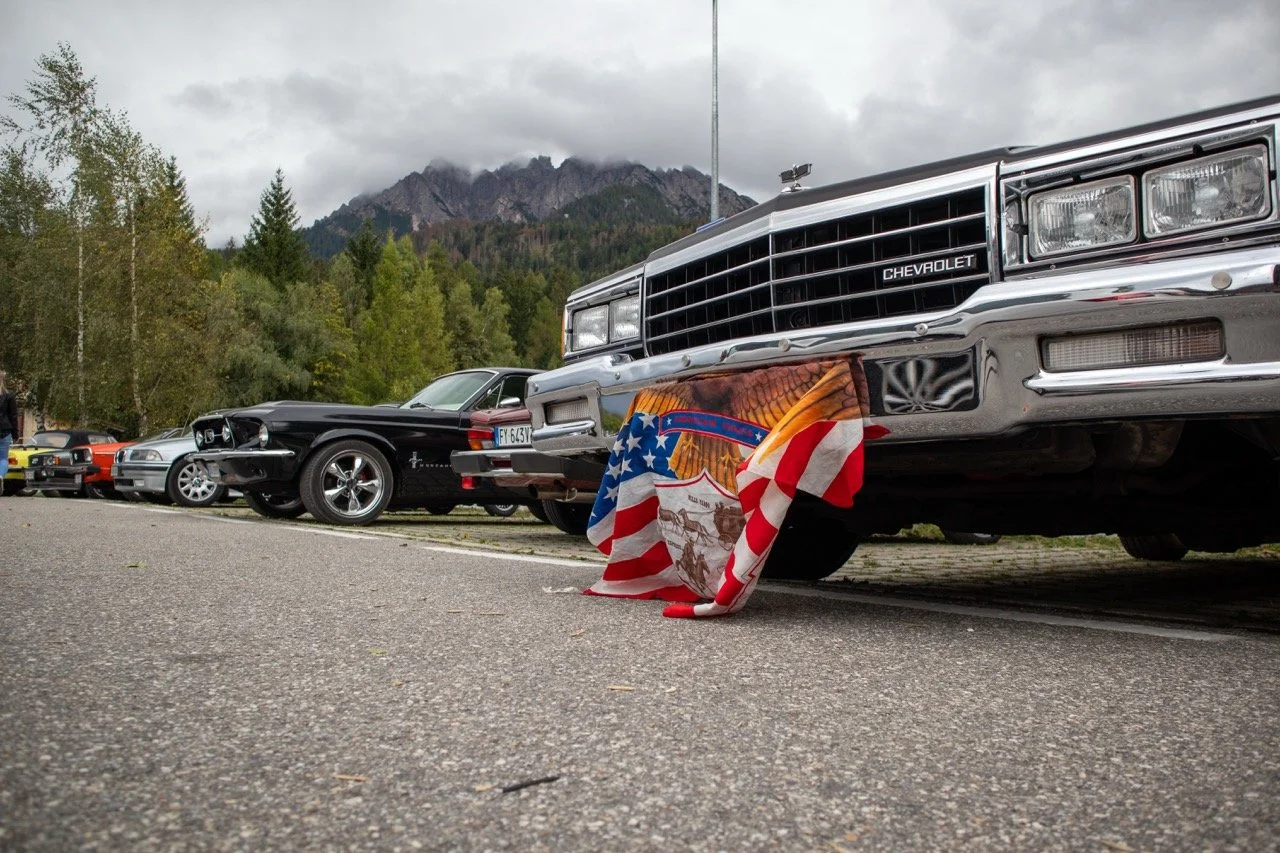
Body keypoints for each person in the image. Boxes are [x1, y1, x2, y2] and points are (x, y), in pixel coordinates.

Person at [0, 371, 17, 488]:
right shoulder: (9, 395)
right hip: (4, 431)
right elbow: (13, 416)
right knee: (3, 458)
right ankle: (0, 476)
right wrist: (16, 434)